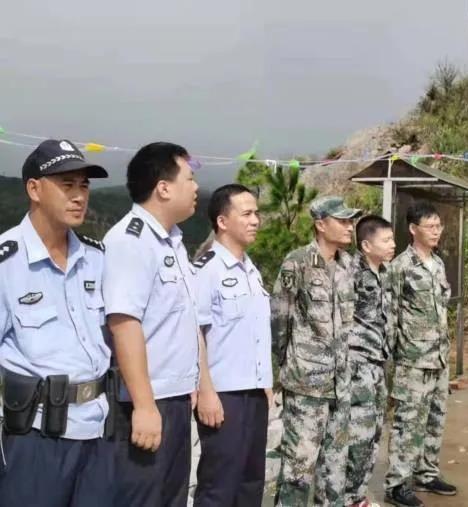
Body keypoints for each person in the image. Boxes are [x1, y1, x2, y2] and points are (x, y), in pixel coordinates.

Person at [103, 142, 220, 507]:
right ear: (163, 187)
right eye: (190, 177)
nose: (197, 186)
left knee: (171, 498)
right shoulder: (131, 241)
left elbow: (188, 324)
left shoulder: (171, 242)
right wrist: (144, 405)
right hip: (145, 402)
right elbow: (124, 323)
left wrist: (202, 385)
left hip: (173, 400)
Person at [0, 140, 113, 506]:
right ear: (34, 188)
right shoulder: (7, 263)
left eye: (84, 185)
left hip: (97, 432)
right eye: (67, 185)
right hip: (33, 439)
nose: (79, 196)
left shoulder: (96, 259)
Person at [272, 196, 361, 506]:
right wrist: (288, 365)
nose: (350, 227)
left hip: (341, 384)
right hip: (307, 384)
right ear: (321, 225)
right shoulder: (296, 262)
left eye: (351, 221)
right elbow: (279, 319)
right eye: (343, 221)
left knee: (335, 469)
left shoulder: (349, 264)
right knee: (299, 468)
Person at [192, 184, 273, 507]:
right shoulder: (207, 270)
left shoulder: (251, 271)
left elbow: (255, 332)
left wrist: (266, 383)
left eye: (257, 213)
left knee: (251, 481)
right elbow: (195, 332)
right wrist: (206, 390)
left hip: (254, 392)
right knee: (219, 485)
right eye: (247, 214)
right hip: (224, 395)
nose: (256, 220)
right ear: (222, 222)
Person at [385, 202, 457, 507]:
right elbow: (390, 314)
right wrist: (395, 359)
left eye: (439, 226)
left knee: (435, 419)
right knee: (408, 422)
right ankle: (396, 484)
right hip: (412, 360)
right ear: (413, 229)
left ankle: (427, 473)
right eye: (430, 226)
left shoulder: (437, 264)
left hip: (439, 357)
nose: (436, 231)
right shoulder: (400, 266)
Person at [344, 215, 396, 507]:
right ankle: (349, 496)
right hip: (357, 364)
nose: (392, 245)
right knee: (358, 434)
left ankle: (359, 495)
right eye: (386, 240)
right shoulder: (351, 272)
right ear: (366, 245)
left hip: (378, 365)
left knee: (374, 431)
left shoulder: (384, 273)